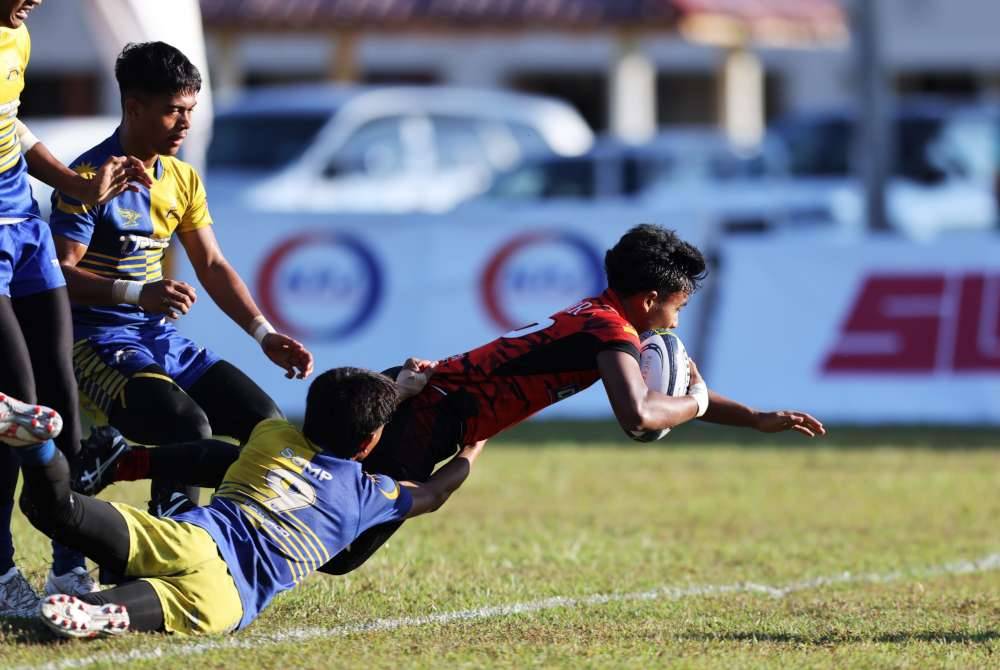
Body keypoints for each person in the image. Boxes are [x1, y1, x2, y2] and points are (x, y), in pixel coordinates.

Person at [77, 225, 825, 577]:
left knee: (296, 479)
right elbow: (641, 416)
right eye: (679, 306)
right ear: (655, 295)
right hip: (417, 413)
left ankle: (134, 464)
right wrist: (693, 411)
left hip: (419, 403)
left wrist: (749, 416)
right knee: (332, 545)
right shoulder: (613, 331)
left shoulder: (609, 321)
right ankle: (137, 472)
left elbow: (662, 390)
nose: (680, 319)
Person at [2, 367, 484, 637]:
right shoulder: (369, 495)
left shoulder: (272, 436)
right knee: (157, 605)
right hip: (230, 595)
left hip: (191, 537)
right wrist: (471, 446)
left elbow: (352, 413)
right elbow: (437, 492)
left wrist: (397, 388)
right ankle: (103, 612)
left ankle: (37, 444)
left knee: (56, 510)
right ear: (368, 445)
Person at [48, 41, 313, 523]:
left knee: (267, 425)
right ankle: (173, 532)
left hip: (157, 338)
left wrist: (263, 332)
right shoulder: (89, 177)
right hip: (93, 343)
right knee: (188, 424)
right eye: (173, 111)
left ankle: (221, 534)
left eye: (190, 109)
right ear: (133, 107)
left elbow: (211, 264)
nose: (186, 123)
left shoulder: (183, 178)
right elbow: (59, 275)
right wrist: (137, 294)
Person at [0, 0, 153, 614]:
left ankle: (69, 560)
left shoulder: (17, 32)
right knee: (14, 407)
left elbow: (13, 124)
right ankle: (1, 572)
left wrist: (75, 183)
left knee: (59, 395)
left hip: (23, 223)